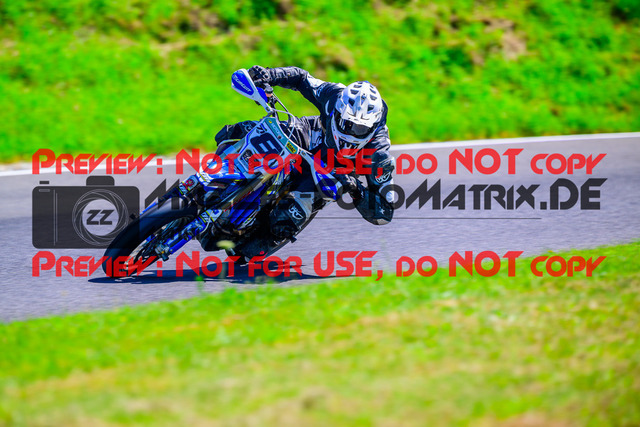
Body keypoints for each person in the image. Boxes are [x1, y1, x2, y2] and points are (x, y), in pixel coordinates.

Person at [200, 65, 395, 261]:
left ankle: (266, 238)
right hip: (312, 134)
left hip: (334, 171)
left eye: (360, 129)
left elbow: (384, 214)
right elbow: (302, 78)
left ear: (372, 127)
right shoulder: (334, 95)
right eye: (346, 122)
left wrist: (357, 190)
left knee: (286, 217)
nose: (351, 130)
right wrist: (270, 75)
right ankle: (214, 178)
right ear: (338, 110)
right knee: (243, 131)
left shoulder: (379, 154)